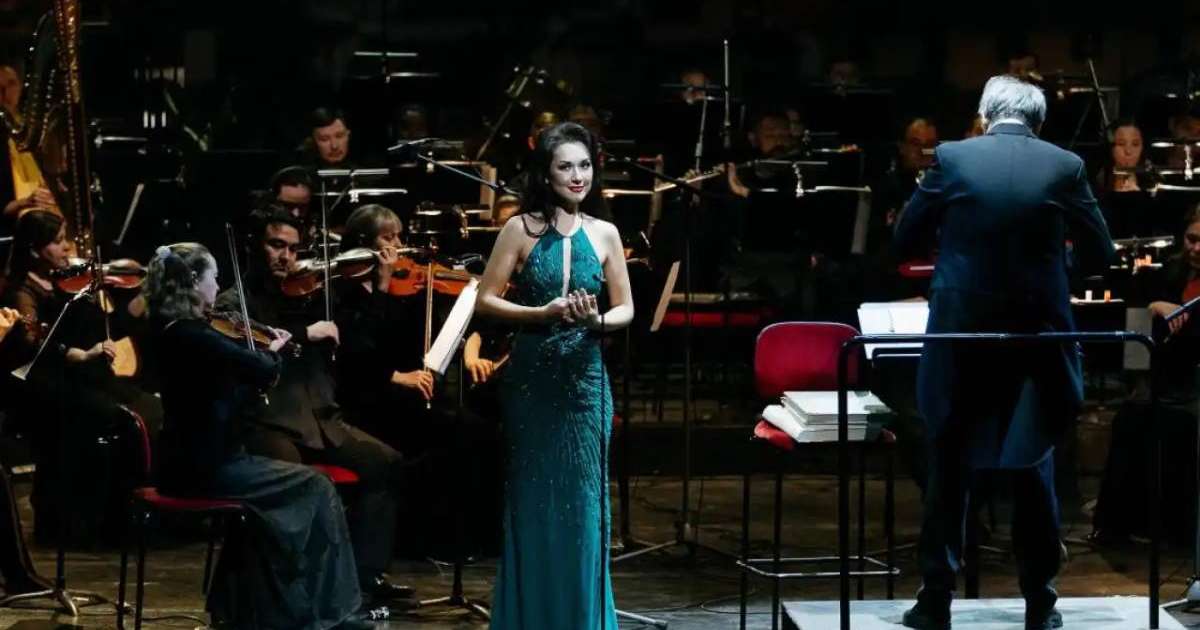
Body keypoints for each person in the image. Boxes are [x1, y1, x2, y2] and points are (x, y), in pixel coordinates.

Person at [893, 75, 1114, 630]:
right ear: (1038, 122)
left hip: (960, 336)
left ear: (986, 114)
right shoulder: (1065, 166)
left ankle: (935, 601)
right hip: (1037, 338)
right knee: (1032, 463)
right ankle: (1040, 602)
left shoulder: (953, 157)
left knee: (949, 461)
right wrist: (1055, 276)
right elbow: (1102, 252)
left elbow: (904, 240)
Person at [144, 242, 377, 629]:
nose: (218, 287)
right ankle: (336, 613)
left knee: (293, 497)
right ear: (194, 283)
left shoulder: (174, 330)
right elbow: (262, 368)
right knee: (317, 487)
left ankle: (262, 609)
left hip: (198, 460)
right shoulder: (192, 336)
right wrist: (279, 347)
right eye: (214, 278)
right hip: (206, 467)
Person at [214, 206, 416, 609]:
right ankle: (286, 593)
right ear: (257, 245)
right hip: (269, 420)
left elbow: (360, 342)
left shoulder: (313, 290)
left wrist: (377, 285)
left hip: (320, 417)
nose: (286, 256)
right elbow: (246, 343)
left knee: (385, 463)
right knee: (291, 480)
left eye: (293, 248)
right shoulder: (235, 297)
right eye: (276, 245)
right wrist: (305, 333)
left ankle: (362, 580)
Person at [476, 121, 633, 629]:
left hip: (586, 383)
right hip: (533, 381)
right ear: (546, 172)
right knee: (535, 504)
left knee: (586, 510)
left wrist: (597, 321)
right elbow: (486, 298)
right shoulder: (519, 229)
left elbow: (627, 307)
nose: (577, 175)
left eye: (584, 164)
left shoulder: (606, 232)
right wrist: (540, 314)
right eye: (565, 165)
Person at [1, 209, 160, 546]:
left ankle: (119, 514)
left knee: (145, 406)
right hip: (42, 382)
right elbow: (34, 346)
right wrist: (79, 354)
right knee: (117, 417)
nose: (67, 248)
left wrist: (137, 301)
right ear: (34, 249)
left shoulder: (66, 279)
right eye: (58, 242)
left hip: (77, 374)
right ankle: (85, 520)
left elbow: (102, 326)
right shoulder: (22, 292)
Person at [1092, 204, 1200, 544]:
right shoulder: (1167, 273)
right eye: (1192, 239)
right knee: (1132, 417)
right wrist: (1156, 305)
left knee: (1182, 423)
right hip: (1171, 378)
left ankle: (1180, 528)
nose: (1196, 248)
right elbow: (1140, 320)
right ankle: (1126, 526)